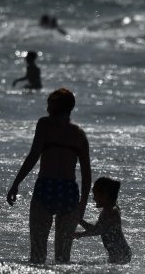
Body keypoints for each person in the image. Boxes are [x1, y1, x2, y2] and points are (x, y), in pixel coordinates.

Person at [6, 88, 92, 264]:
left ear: (54, 106)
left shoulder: (45, 124)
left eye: (49, 104)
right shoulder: (79, 135)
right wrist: (82, 205)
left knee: (37, 256)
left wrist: (16, 183)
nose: (47, 108)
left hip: (46, 188)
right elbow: (86, 174)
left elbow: (33, 156)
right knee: (63, 258)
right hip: (69, 192)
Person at [74, 177, 131, 264]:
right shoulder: (109, 210)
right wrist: (80, 222)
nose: (93, 199)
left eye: (95, 195)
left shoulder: (111, 212)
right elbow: (97, 229)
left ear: (104, 195)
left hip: (121, 252)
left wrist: (80, 233)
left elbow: (97, 230)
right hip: (120, 252)